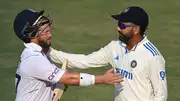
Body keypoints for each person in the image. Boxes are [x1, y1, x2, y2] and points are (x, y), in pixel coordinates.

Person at [48, 6, 168, 101]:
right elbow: (85, 61)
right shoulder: (115, 47)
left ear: (136, 29)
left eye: (122, 25)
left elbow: (161, 95)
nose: (118, 28)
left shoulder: (152, 56)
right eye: (118, 24)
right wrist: (49, 52)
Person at [13, 9, 124, 101]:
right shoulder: (34, 59)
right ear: (32, 34)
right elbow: (70, 78)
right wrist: (102, 79)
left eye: (49, 30)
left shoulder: (36, 53)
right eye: (45, 32)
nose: (50, 34)